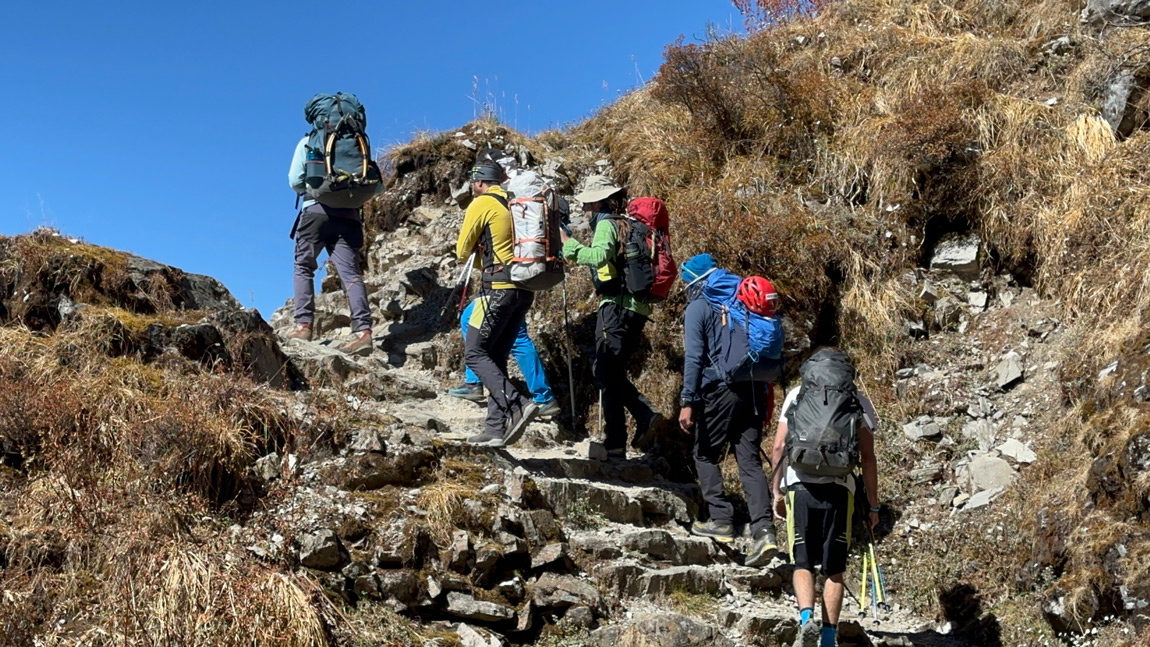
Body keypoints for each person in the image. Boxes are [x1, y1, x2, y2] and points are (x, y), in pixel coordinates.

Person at [770, 348, 881, 647]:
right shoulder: (855, 398)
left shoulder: (797, 394)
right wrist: (872, 504)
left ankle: (806, 619)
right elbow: (868, 458)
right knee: (834, 569)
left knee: (802, 562)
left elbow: (779, 448)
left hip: (800, 485)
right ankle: (829, 636)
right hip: (839, 488)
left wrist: (776, 490)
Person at [678, 254, 779, 567]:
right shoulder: (742, 299)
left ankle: (721, 518)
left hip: (721, 391)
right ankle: (764, 532)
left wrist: (687, 401)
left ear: (695, 282)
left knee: (704, 453)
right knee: (748, 460)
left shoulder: (699, 307)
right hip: (753, 389)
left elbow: (694, 358)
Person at [560, 175, 664, 458]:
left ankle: (643, 415)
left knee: (604, 371)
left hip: (615, 306)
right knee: (610, 372)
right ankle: (615, 443)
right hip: (636, 308)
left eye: (586, 203)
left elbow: (598, 256)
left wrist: (568, 244)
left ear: (596, 201)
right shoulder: (626, 222)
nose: (584, 209)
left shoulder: (606, 223)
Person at [455, 160, 540, 447]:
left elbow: (462, 249)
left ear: (479, 181)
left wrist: (481, 253)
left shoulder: (481, 204)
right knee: (496, 355)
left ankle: (517, 403)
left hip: (498, 289)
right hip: (524, 290)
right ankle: (494, 428)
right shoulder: (516, 203)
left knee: (475, 353)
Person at [286, 103, 378, 355]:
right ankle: (363, 332)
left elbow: (295, 180)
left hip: (316, 210)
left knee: (304, 266)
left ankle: (303, 325)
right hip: (349, 214)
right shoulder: (357, 142)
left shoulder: (310, 141)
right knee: (350, 273)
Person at [449, 298, 561, 418]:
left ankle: (474, 383)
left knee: (470, 319)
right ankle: (543, 396)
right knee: (518, 335)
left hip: (501, 289)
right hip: (518, 290)